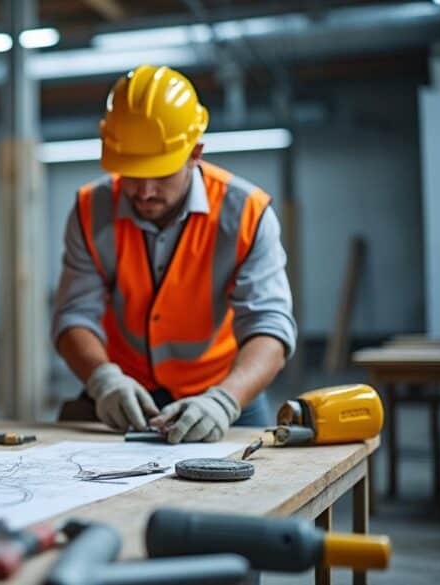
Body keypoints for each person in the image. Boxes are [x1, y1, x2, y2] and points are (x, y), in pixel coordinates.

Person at [52, 65, 297, 444]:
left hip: (224, 393)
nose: (145, 191)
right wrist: (103, 379)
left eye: (161, 173)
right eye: (132, 173)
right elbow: (74, 316)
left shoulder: (247, 213)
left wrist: (225, 400)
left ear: (195, 152)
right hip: (124, 393)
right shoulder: (90, 211)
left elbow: (270, 326)